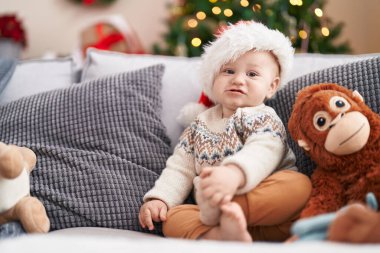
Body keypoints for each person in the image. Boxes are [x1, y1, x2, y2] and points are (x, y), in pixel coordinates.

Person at [139, 21, 311, 242]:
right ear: (213, 80)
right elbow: (180, 168)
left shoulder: (264, 117)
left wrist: (234, 175)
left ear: (271, 86)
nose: (238, 79)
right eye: (228, 71)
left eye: (252, 74)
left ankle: (227, 212)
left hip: (267, 212)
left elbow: (264, 150)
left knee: (299, 186)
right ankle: (219, 235)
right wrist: (161, 199)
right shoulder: (198, 125)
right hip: (212, 214)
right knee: (173, 218)